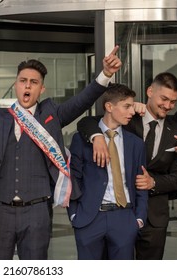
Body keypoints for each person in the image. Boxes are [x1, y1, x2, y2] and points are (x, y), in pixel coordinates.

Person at [0, 46, 121, 260]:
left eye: (33, 82)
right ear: (15, 85)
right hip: (0, 211)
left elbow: (82, 101)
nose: (27, 86)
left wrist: (106, 74)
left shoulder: (51, 113)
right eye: (23, 80)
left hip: (37, 211)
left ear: (41, 89)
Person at [77, 72, 177, 259]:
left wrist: (154, 183)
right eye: (164, 99)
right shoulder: (128, 116)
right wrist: (97, 136)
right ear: (150, 91)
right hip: (119, 214)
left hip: (155, 217)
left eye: (173, 102)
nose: (168, 106)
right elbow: (88, 122)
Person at [68, 84, 148, 259]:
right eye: (126, 106)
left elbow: (140, 182)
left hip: (124, 218)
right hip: (89, 218)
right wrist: (74, 214)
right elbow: (74, 178)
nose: (131, 112)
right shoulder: (82, 139)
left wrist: (138, 219)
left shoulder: (136, 144)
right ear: (109, 107)